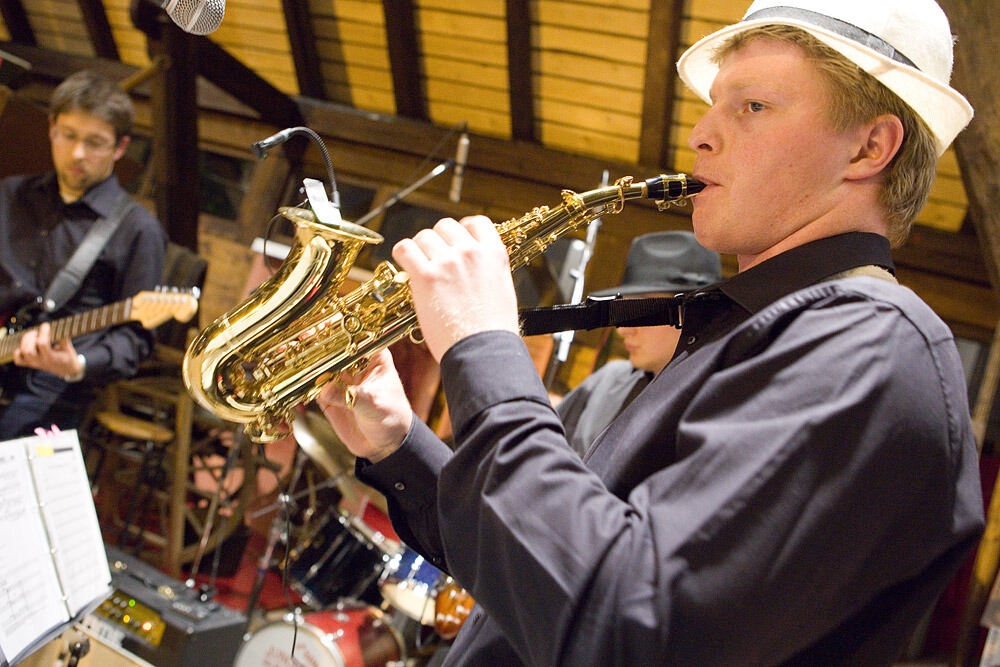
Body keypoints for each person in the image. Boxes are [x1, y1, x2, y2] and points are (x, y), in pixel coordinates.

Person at [316, 0, 985, 664]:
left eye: (751, 106)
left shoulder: (872, 342)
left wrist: (483, 345)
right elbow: (547, 569)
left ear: (870, 146)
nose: (699, 133)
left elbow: (627, 624)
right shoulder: (748, 330)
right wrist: (401, 444)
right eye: (714, 104)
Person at [0, 70, 166, 439]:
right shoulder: (10, 195)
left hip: (53, 392)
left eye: (94, 142)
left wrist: (76, 362)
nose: (78, 154)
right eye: (69, 136)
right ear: (51, 127)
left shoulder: (138, 229)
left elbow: (135, 340)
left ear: (119, 148)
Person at [555, 231, 721, 457]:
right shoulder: (608, 379)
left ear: (691, 312)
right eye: (625, 310)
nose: (623, 330)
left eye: (640, 312)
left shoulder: (713, 408)